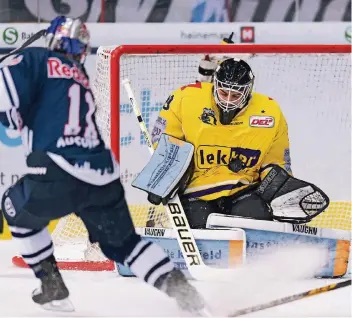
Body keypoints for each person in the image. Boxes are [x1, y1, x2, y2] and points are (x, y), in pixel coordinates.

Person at [0, 16, 206, 314]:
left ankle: (52, 286)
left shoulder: (35, 59)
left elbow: (8, 110)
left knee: (14, 208)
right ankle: (187, 295)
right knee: (127, 246)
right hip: (103, 177)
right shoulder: (78, 75)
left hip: (58, 169)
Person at [149, 57, 329, 229]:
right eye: (224, 92)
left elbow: (275, 161)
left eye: (235, 95)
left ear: (247, 91)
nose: (228, 100)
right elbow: (164, 142)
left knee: (256, 219)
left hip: (242, 191)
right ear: (215, 85)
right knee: (200, 225)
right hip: (196, 193)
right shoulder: (185, 99)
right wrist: (166, 176)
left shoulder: (270, 112)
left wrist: (277, 188)